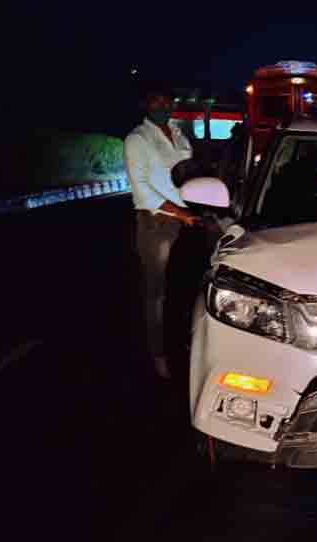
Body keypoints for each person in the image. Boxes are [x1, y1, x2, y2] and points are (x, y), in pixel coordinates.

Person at [123, 82, 195, 380]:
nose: (162, 106)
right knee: (158, 294)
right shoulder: (138, 139)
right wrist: (179, 212)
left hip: (186, 221)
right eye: (156, 102)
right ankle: (158, 354)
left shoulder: (179, 134)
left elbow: (189, 175)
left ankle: (185, 343)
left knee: (185, 288)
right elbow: (141, 189)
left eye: (167, 101)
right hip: (157, 224)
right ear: (146, 105)